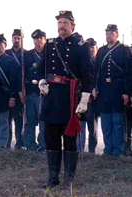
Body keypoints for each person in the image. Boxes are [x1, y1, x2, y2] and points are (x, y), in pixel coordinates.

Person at [39, 11, 92, 188]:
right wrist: (41, 81)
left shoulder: (81, 46)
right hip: (52, 96)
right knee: (51, 137)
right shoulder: (50, 44)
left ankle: (68, 179)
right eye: (59, 22)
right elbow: (41, 68)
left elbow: (87, 74)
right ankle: (53, 177)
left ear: (72, 26)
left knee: (69, 139)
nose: (61, 25)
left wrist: (85, 97)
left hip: (70, 98)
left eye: (65, 22)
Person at [92, 24, 132, 156]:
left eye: (111, 33)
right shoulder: (102, 50)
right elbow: (96, 71)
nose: (108, 35)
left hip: (118, 90)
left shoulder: (124, 50)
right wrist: (94, 87)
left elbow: (128, 73)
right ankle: (108, 149)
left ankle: (118, 150)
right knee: (106, 121)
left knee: (117, 121)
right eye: (107, 33)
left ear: (116, 34)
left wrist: (126, 92)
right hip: (104, 90)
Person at [23, 29, 46, 151]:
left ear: (44, 40)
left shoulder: (48, 54)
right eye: (36, 39)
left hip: (43, 93)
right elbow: (22, 73)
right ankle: (29, 144)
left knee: (43, 121)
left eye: (40, 39)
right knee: (29, 120)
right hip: (30, 91)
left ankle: (43, 144)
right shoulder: (27, 55)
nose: (38, 41)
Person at [76, 38, 99, 153]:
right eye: (88, 47)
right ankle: (79, 149)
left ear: (96, 48)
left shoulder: (97, 63)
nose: (90, 50)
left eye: (92, 47)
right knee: (80, 125)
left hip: (92, 99)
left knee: (92, 127)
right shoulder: (82, 61)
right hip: (81, 98)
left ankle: (91, 150)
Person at [6, 29, 26, 149]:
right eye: (15, 38)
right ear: (11, 39)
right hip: (8, 92)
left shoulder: (26, 54)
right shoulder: (6, 53)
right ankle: (7, 143)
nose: (16, 40)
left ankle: (19, 143)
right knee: (7, 120)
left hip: (21, 93)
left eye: (19, 38)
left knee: (19, 120)